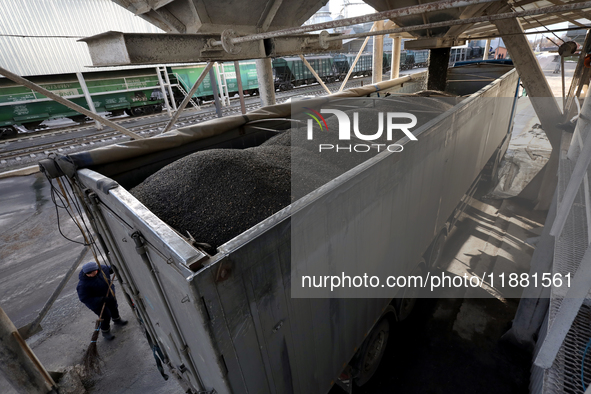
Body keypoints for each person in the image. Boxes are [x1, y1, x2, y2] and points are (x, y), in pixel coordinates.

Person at [77, 262, 127, 340]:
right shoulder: (83, 285)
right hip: (96, 303)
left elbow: (109, 270)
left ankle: (117, 320)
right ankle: (105, 331)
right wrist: (100, 300)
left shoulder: (102, 269)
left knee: (114, 307)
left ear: (96, 269)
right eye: (88, 273)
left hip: (109, 295)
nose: (90, 274)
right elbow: (84, 298)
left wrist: (112, 269)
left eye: (92, 272)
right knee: (105, 315)